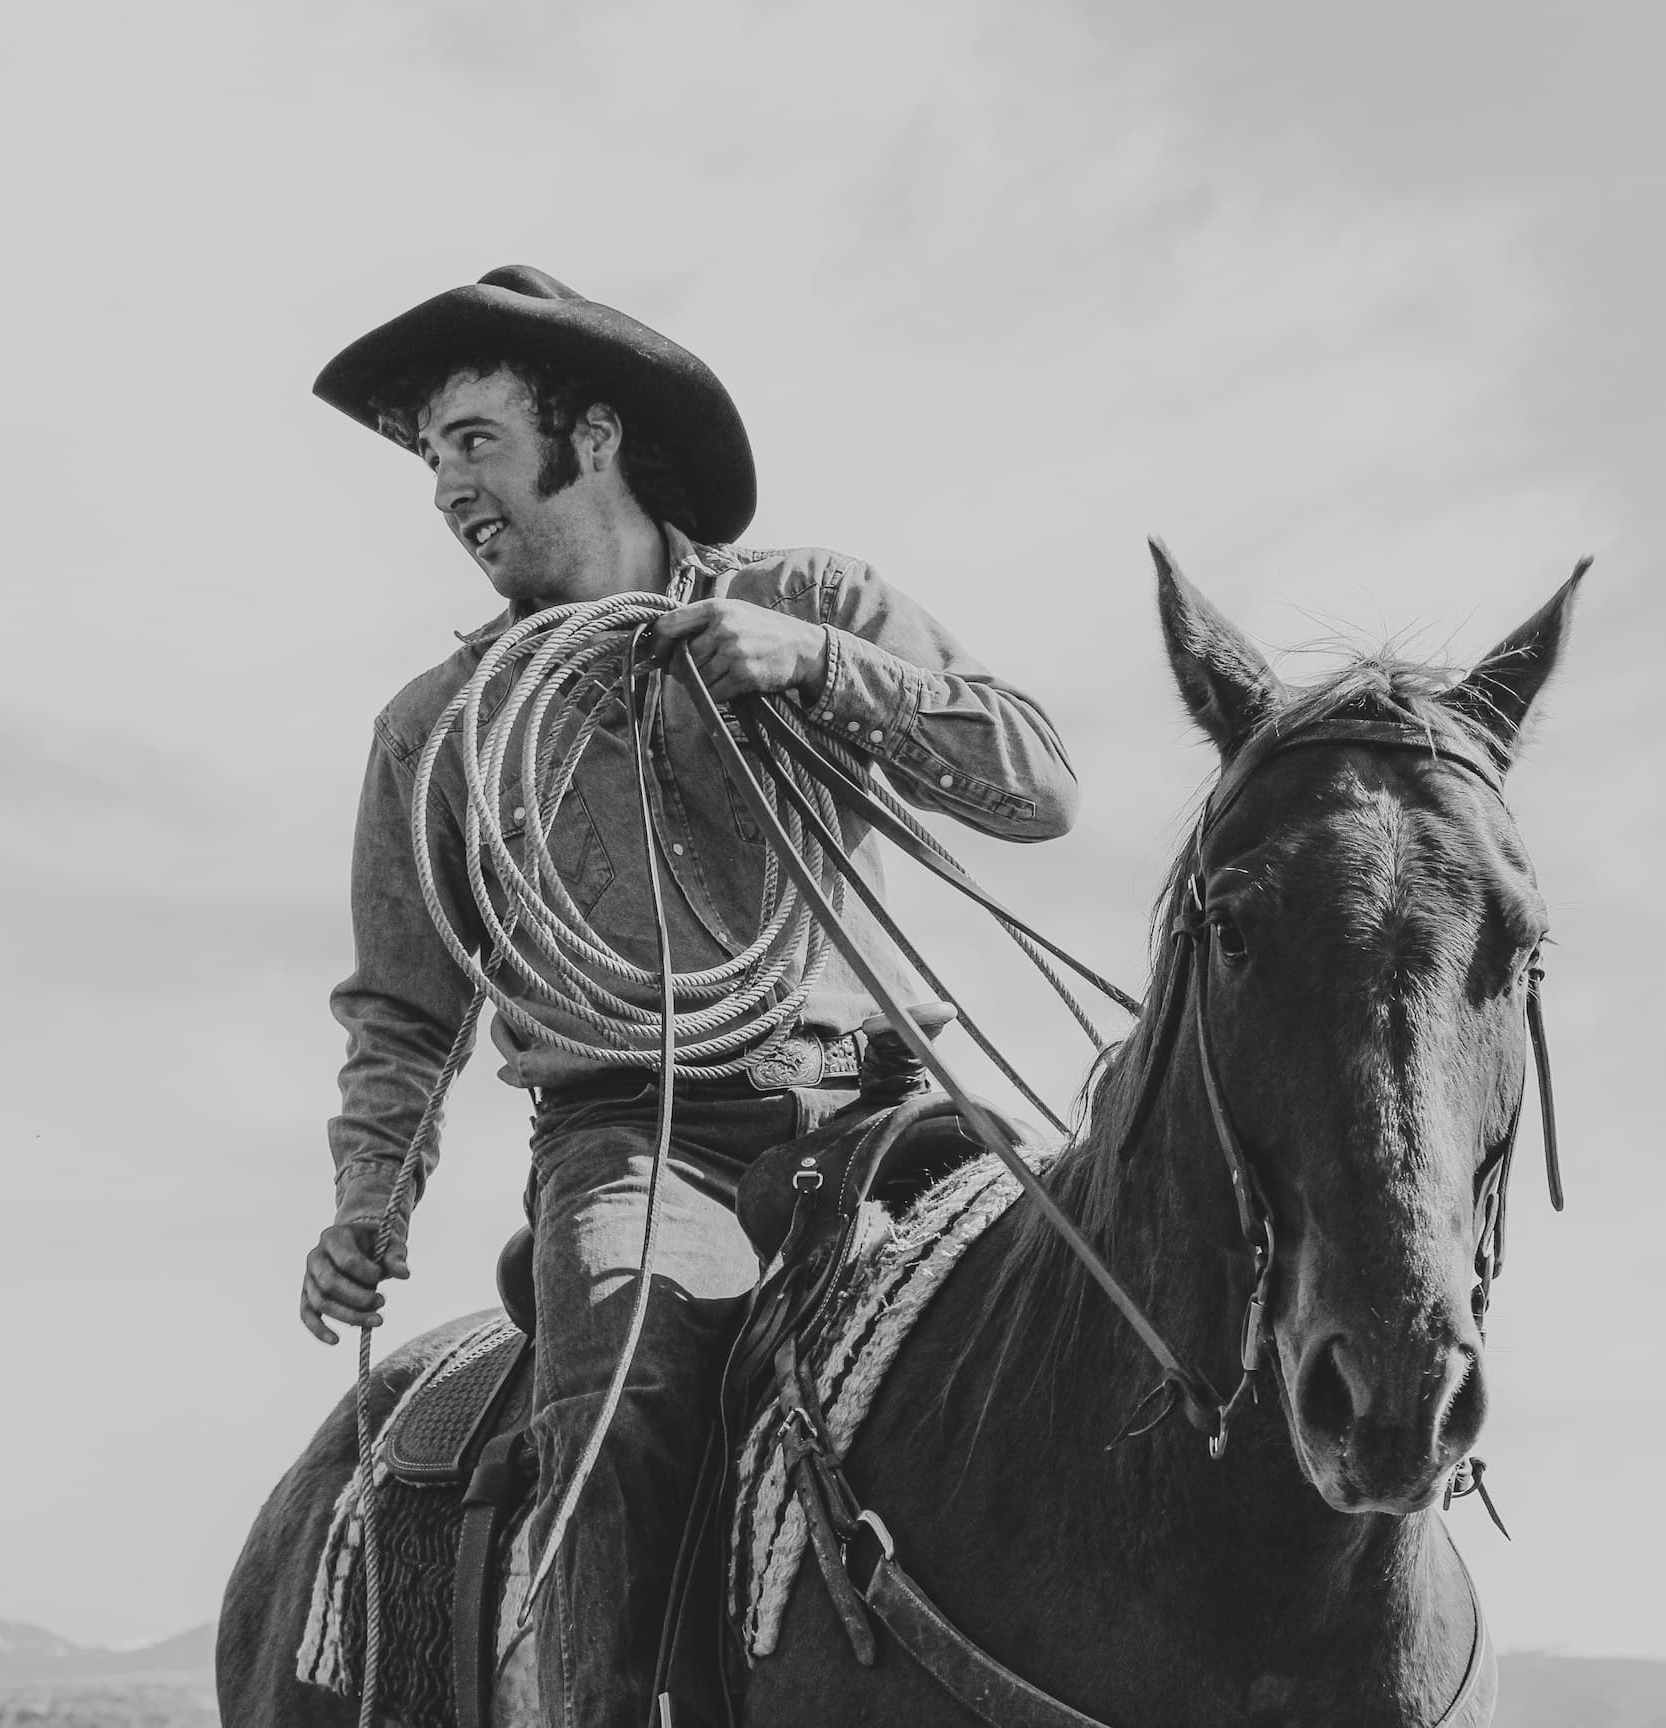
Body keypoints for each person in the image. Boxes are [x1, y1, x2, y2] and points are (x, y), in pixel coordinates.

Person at [295, 265, 1079, 1728]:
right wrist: (368, 1206)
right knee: (623, 1402)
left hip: (888, 1106)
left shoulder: (810, 606)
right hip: (642, 1144)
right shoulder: (439, 730)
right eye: (432, 460)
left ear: (589, 435)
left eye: (474, 441)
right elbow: (403, 1012)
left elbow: (1038, 787)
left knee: (1109, 1309)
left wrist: (824, 669)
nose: (449, 488)